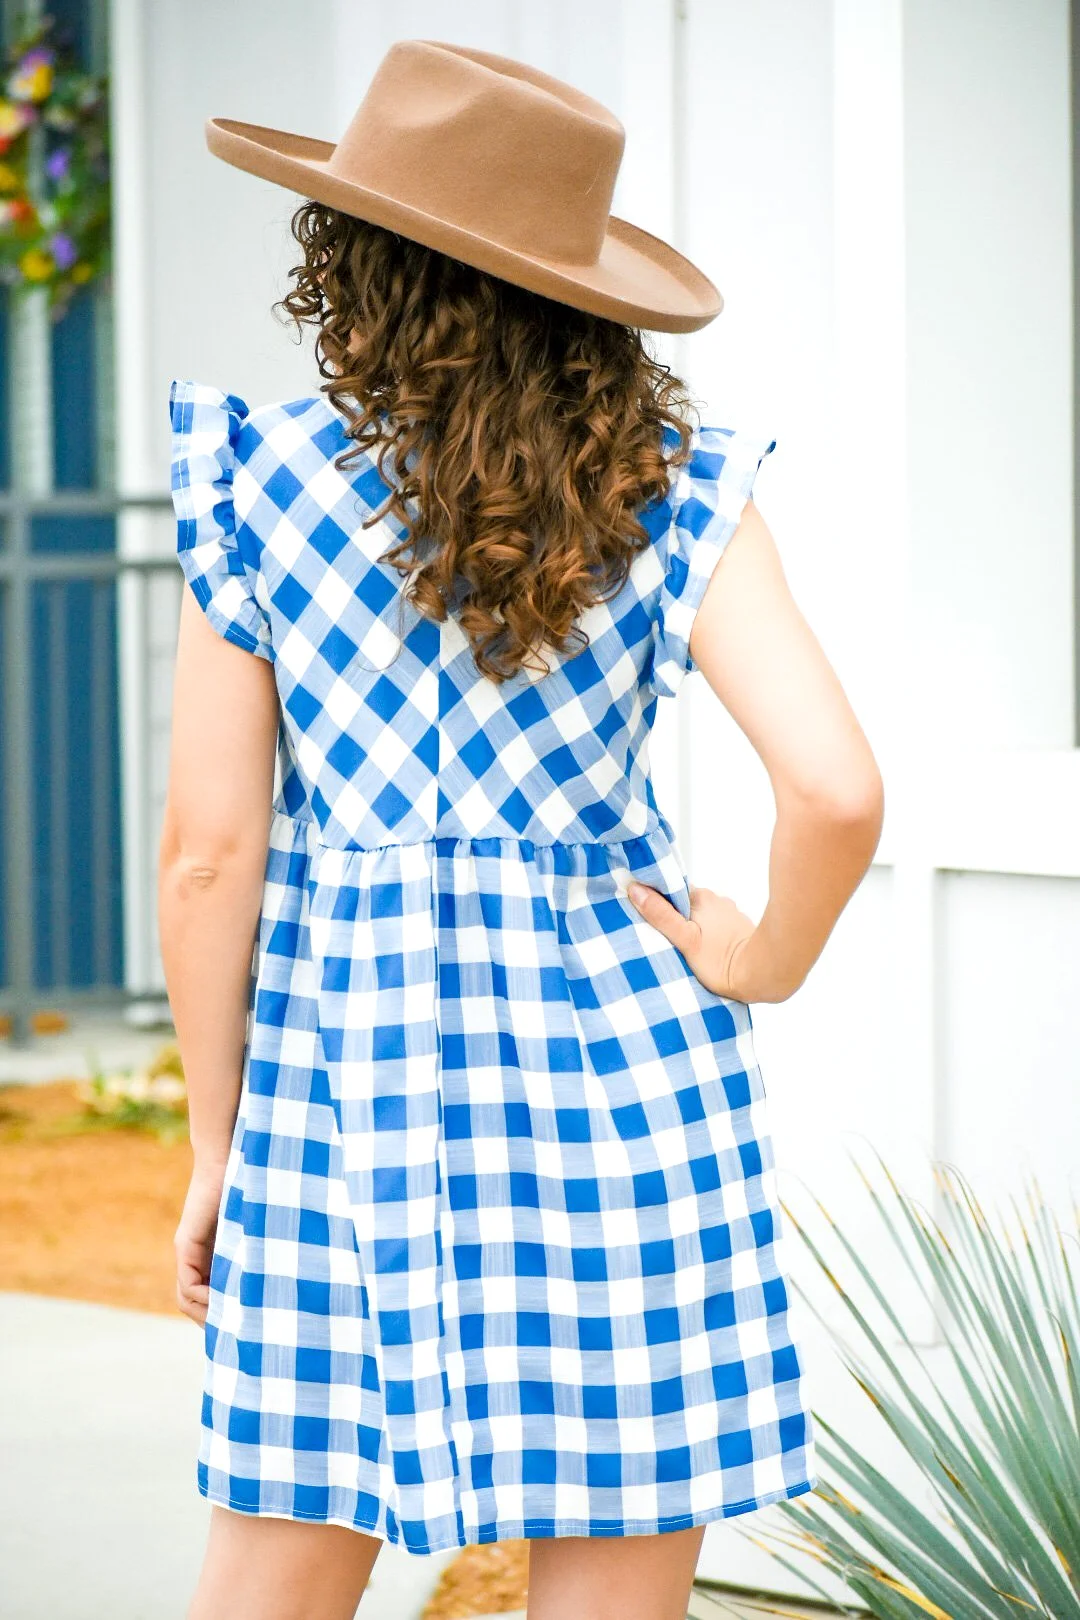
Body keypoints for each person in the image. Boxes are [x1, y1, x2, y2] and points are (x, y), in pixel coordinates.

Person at [159, 38, 884, 1620]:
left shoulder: (261, 484)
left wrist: (219, 1147)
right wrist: (757, 960)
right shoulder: (680, 487)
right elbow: (836, 789)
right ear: (582, 286)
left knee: (273, 1559)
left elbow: (210, 854)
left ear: (358, 263)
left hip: (341, 1091)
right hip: (625, 1084)